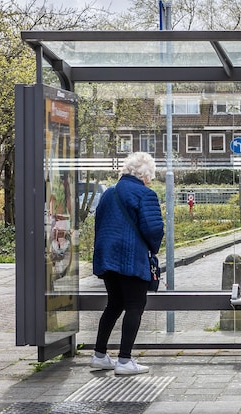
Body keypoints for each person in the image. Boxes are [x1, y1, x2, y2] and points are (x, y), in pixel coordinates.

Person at [90, 151, 164, 375]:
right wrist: (153, 249)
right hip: (131, 257)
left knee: (114, 304)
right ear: (145, 175)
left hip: (107, 257)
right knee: (135, 306)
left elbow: (100, 223)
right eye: (150, 176)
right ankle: (124, 360)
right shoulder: (145, 194)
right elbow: (153, 229)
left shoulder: (109, 193)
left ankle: (99, 355)